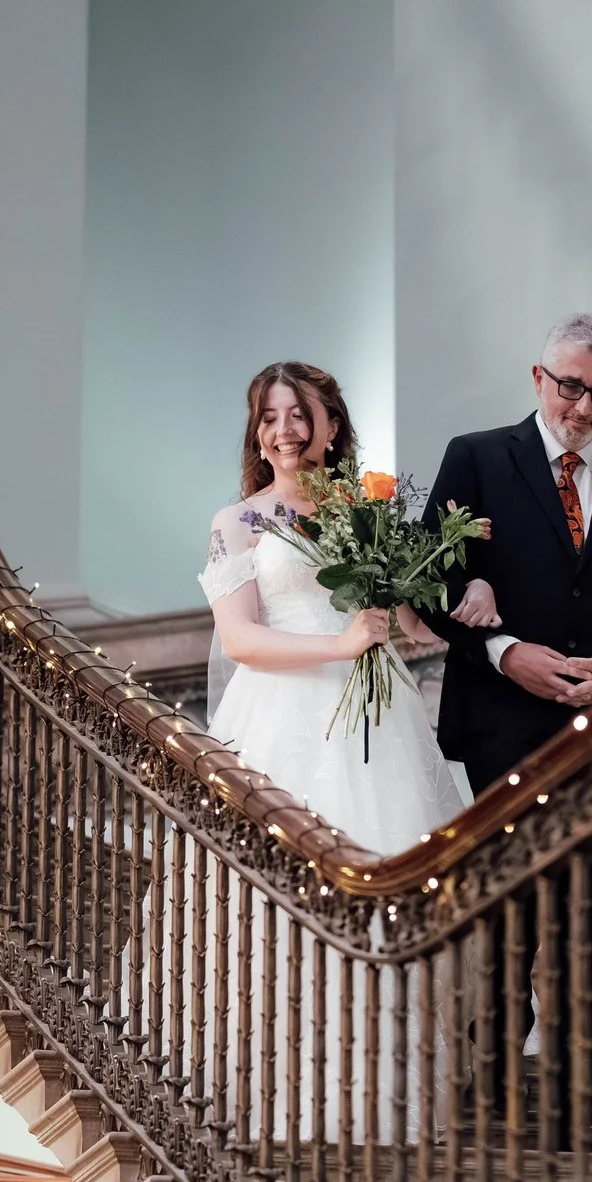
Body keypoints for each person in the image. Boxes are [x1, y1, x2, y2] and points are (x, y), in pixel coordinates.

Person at [420, 313, 592, 1134]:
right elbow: (434, 586)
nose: (584, 407)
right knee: (511, 905)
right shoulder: (476, 457)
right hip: (502, 721)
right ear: (539, 378)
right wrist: (505, 651)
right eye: (572, 386)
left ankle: (587, 1090)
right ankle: (494, 1082)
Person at [198, 361, 468, 857]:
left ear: (333, 427)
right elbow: (239, 639)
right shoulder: (237, 522)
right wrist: (343, 645)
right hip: (279, 713)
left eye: (299, 415)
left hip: (378, 711)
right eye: (269, 418)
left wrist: (458, 582)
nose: (285, 431)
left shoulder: (366, 510)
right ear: (257, 435)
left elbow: (414, 624)